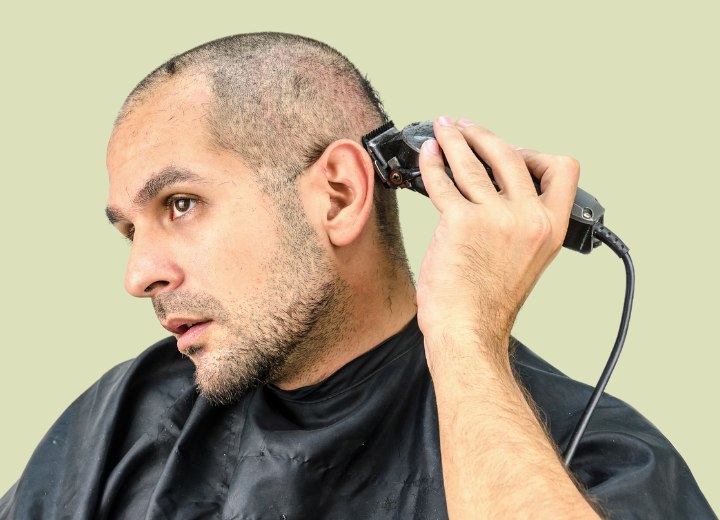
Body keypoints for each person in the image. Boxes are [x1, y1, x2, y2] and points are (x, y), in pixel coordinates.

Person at [0, 32, 714, 519]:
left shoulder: (600, 463)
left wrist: (465, 332)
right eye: (130, 229)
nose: (138, 275)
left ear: (338, 194)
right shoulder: (125, 420)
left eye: (180, 204)